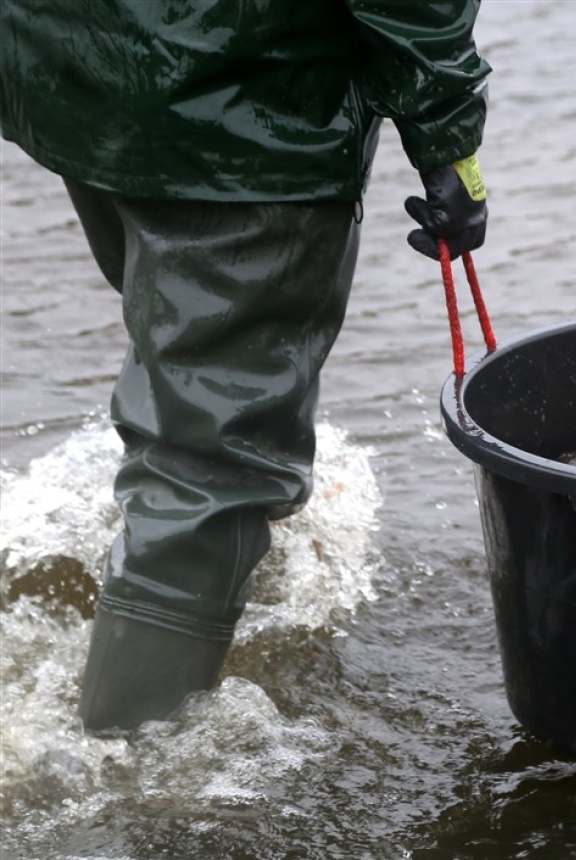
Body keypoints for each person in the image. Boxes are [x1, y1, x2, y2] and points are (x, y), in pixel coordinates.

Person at [0, 1, 491, 736]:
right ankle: (126, 773)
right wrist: (450, 140)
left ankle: (182, 583)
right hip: (239, 109)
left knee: (190, 372)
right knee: (212, 466)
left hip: (70, 64)